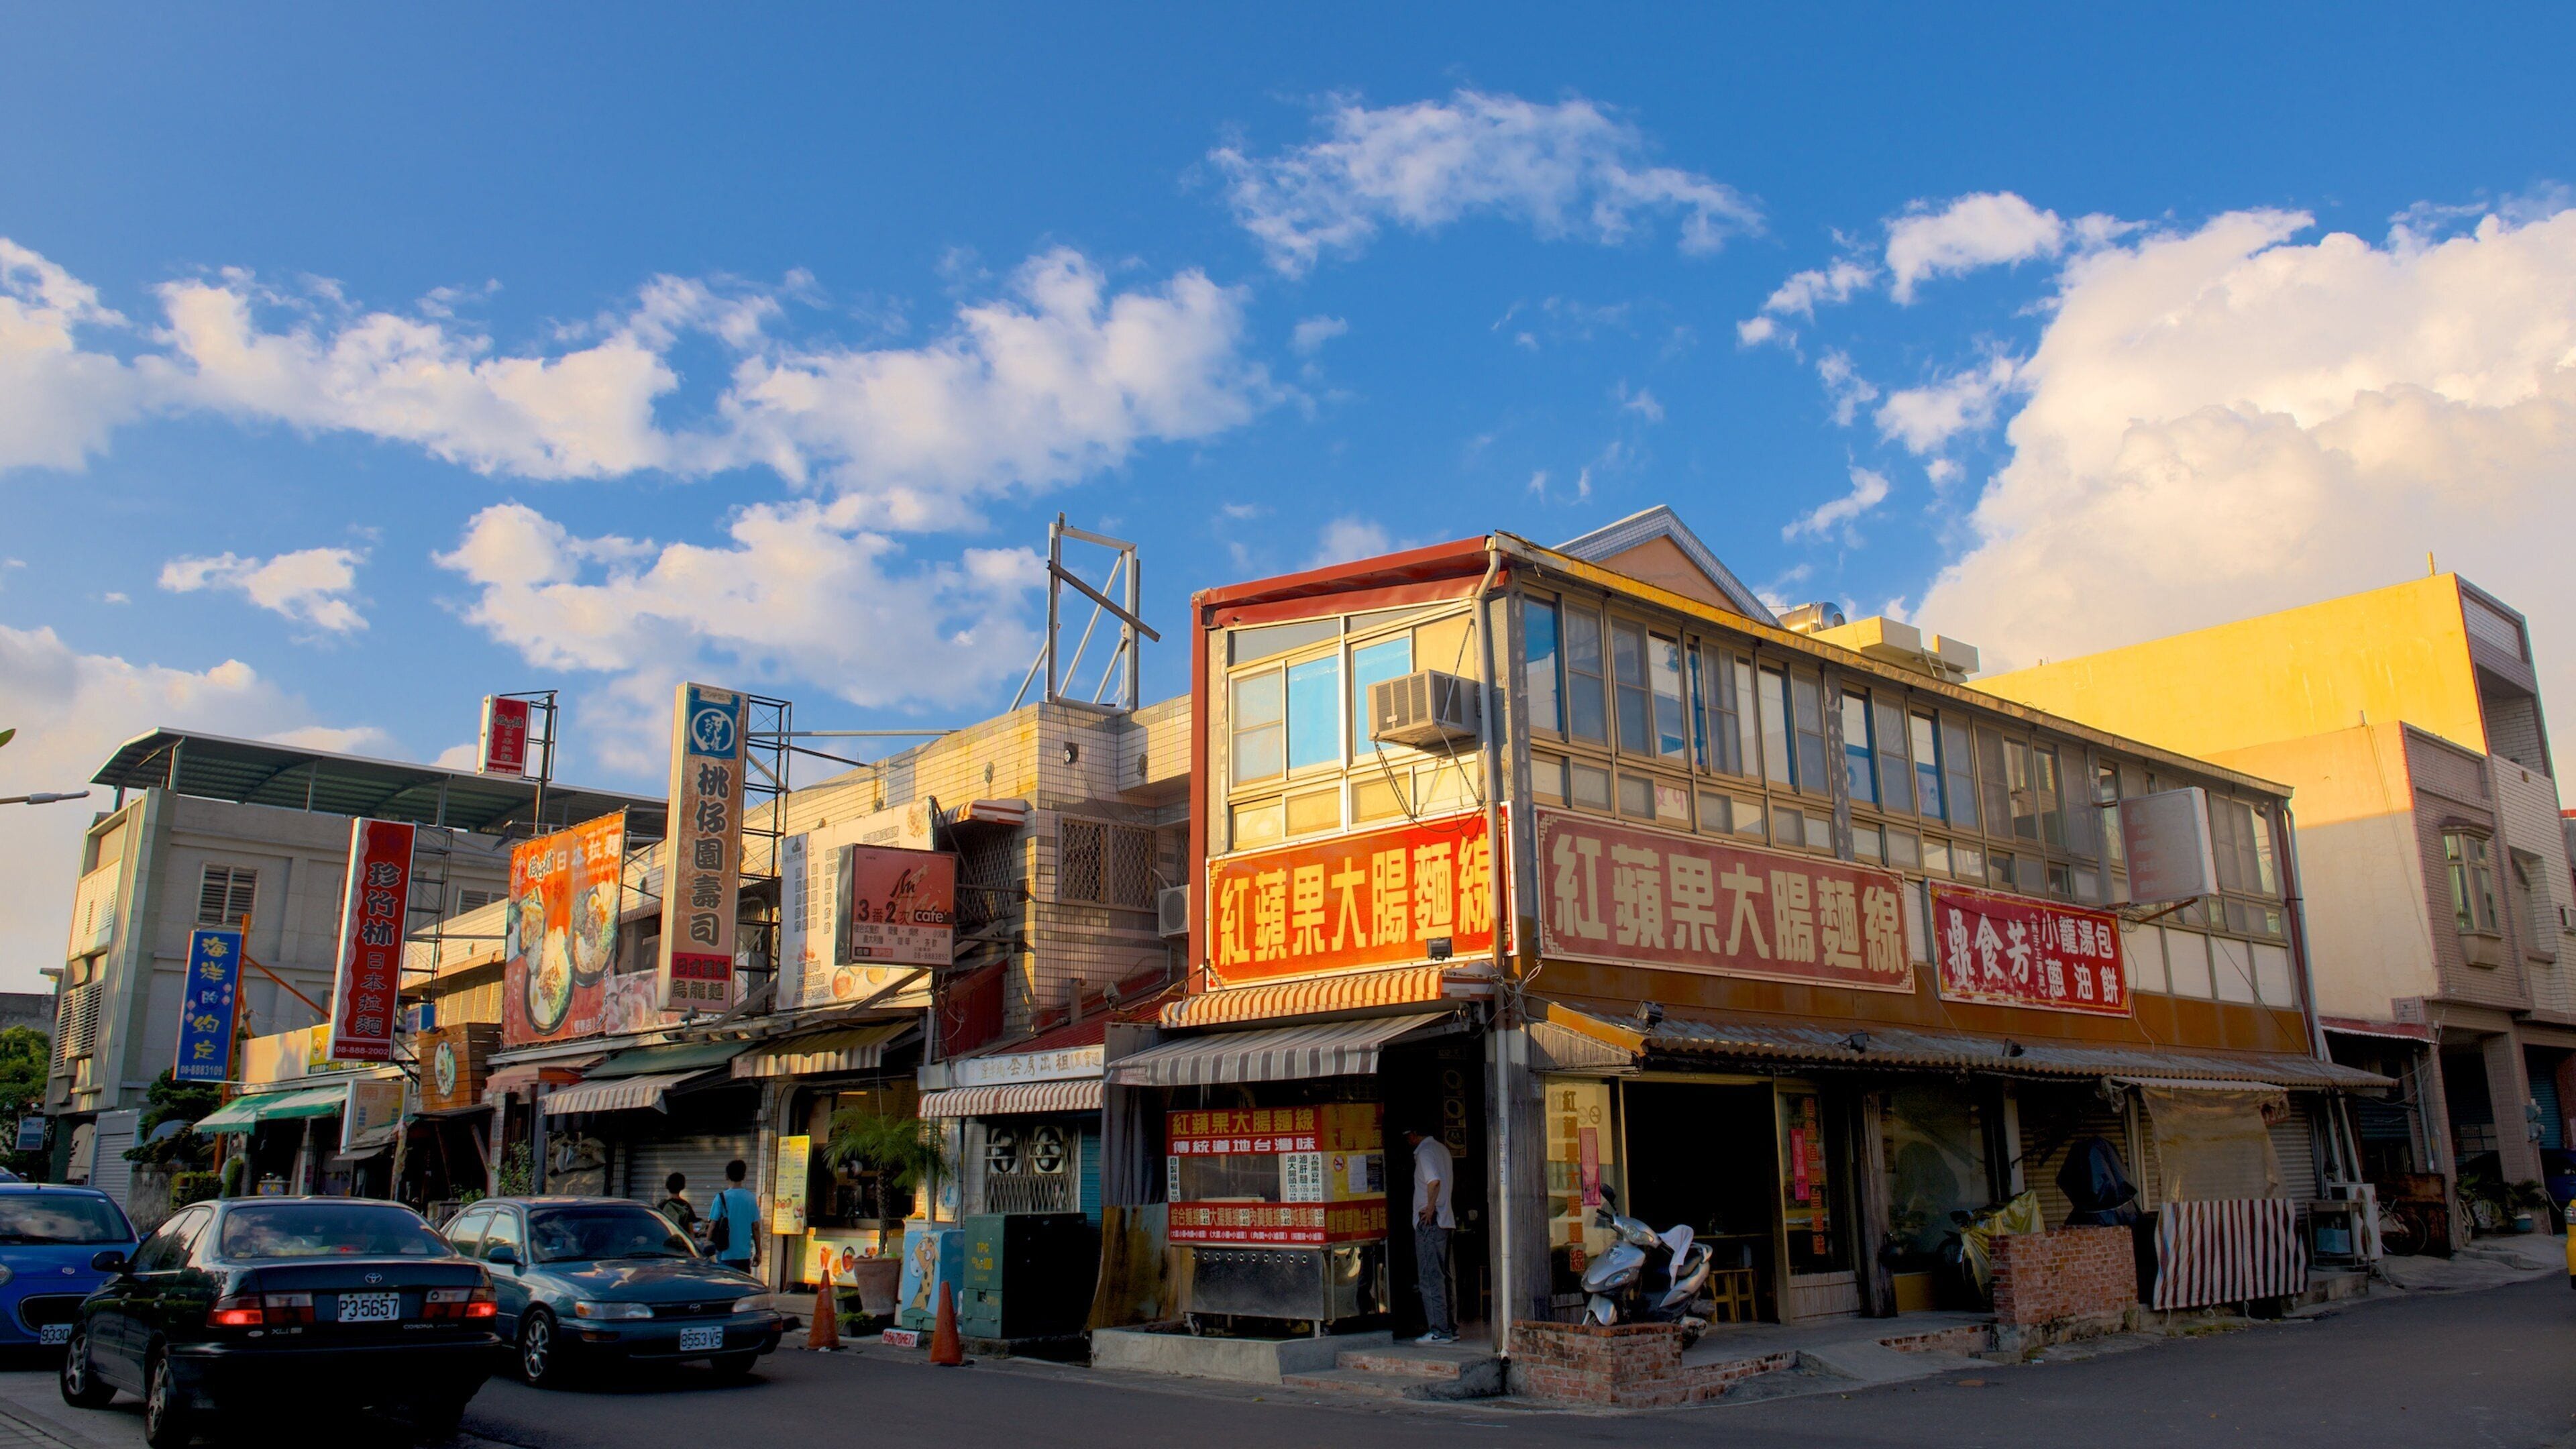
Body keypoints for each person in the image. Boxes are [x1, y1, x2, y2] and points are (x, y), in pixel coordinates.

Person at [1405, 1128, 1456, 1344]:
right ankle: (1451, 1327)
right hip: (1445, 1220)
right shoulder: (1442, 1149)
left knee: (1430, 1277)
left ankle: (1439, 1330)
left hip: (1431, 1222)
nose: (1407, 1141)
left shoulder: (1425, 1153)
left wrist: (1429, 1208)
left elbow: (1434, 1181)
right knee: (1445, 1277)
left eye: (1408, 1136)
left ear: (1414, 1134)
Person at [706, 1158, 761, 1272]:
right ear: (744, 1176)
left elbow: (712, 1226)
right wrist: (759, 1252)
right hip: (744, 1255)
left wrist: (706, 1248)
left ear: (727, 1176)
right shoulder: (751, 1198)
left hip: (725, 1254)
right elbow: (756, 1227)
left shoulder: (721, 1198)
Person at [655, 1171, 700, 1240]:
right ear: (682, 1186)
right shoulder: (686, 1206)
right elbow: (691, 1231)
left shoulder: (661, 1205)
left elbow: (656, 1227)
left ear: (667, 1185)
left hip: (664, 1242)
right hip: (681, 1244)